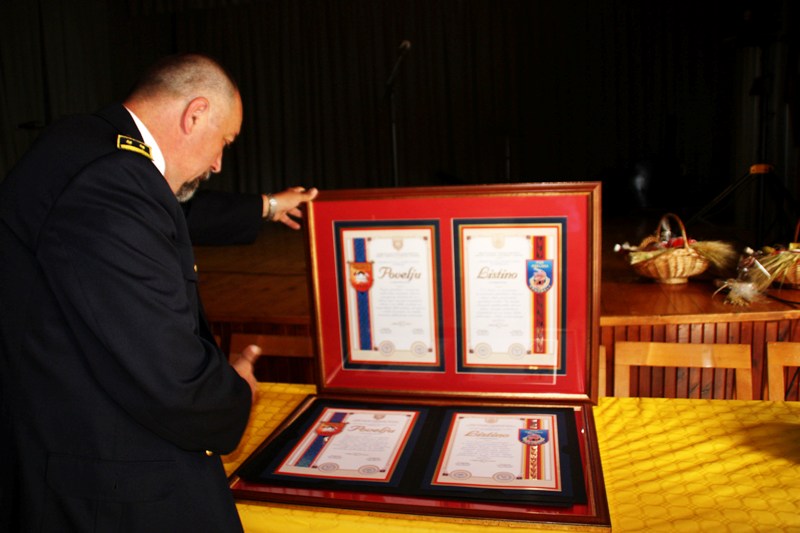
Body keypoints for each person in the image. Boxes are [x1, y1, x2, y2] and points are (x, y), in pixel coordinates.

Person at [0, 53, 310, 532]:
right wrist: (234, 395)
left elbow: (170, 209)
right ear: (195, 114)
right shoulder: (110, 181)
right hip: (100, 487)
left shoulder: (88, 146)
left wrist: (268, 206)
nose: (217, 163)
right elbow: (170, 377)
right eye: (224, 142)